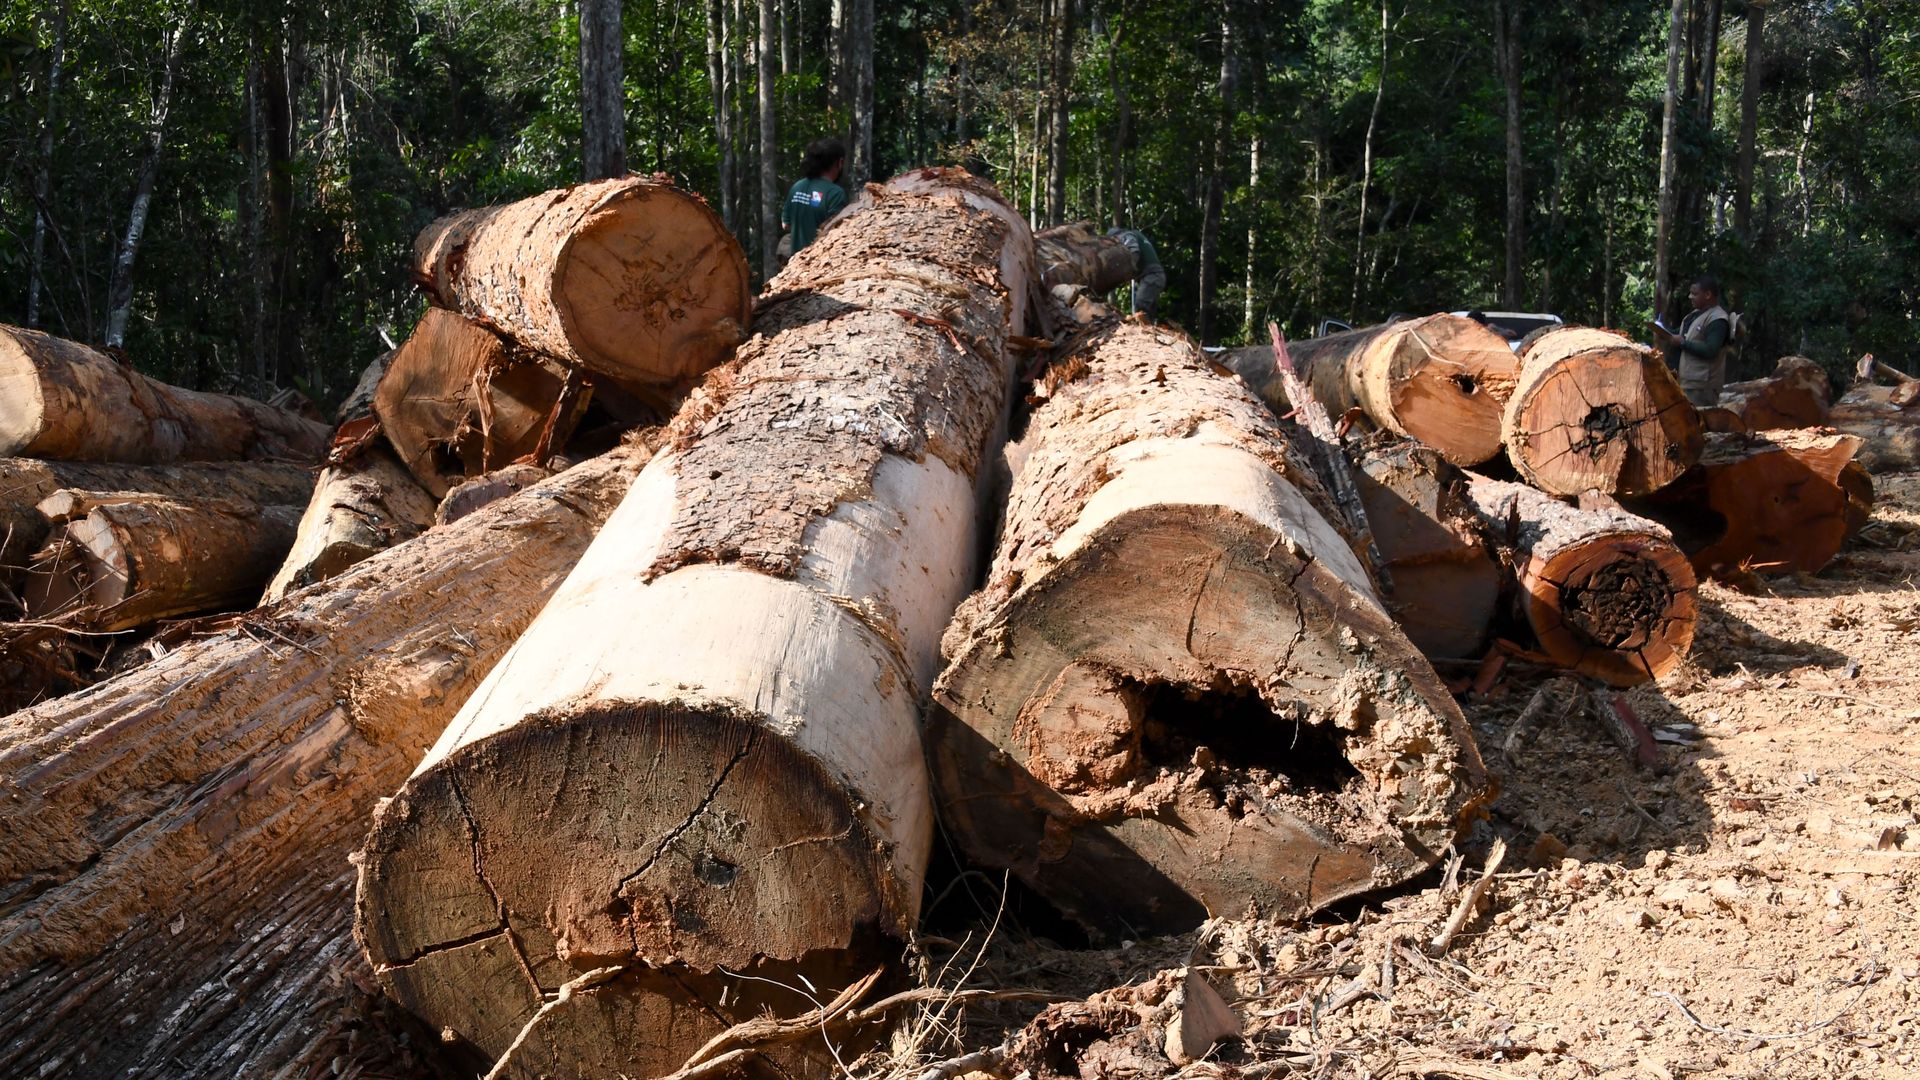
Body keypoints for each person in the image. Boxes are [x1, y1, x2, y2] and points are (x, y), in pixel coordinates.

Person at [1651, 275, 1735, 407]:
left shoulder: (1717, 319)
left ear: (1708, 295)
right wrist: (1662, 331)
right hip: (1688, 382)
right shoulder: (1693, 315)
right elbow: (1679, 334)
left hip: (1702, 386)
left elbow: (1711, 350)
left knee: (1698, 423)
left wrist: (1683, 343)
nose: (1690, 297)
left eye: (1695, 294)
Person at [778, 138, 848, 262]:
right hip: (820, 264)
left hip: (796, 264)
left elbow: (786, 224)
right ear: (840, 162)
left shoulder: (797, 187)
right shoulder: (835, 193)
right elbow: (837, 235)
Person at [1107, 227, 1167, 318]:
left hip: (1151, 275)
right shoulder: (1135, 234)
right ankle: (1149, 327)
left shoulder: (1126, 236)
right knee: (1148, 309)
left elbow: (1134, 251)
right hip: (1155, 275)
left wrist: (1128, 270)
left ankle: (1144, 328)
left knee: (1141, 305)